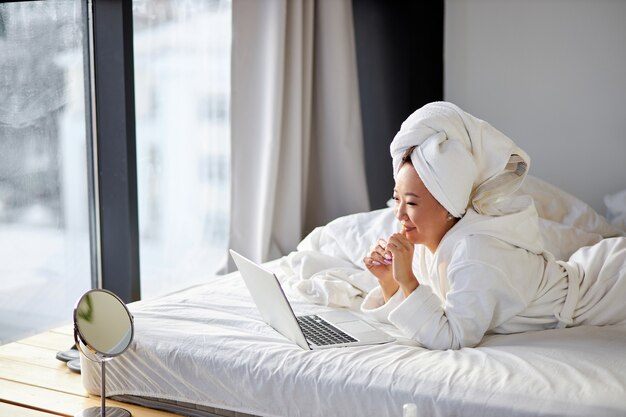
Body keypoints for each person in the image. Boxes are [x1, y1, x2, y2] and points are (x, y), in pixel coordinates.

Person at [361, 101, 626, 350]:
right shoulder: (425, 243)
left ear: (448, 207)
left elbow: (452, 337)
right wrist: (390, 282)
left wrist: (406, 280)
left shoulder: (476, 252)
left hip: (607, 289)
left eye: (412, 203)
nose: (399, 214)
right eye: (397, 199)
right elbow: (423, 316)